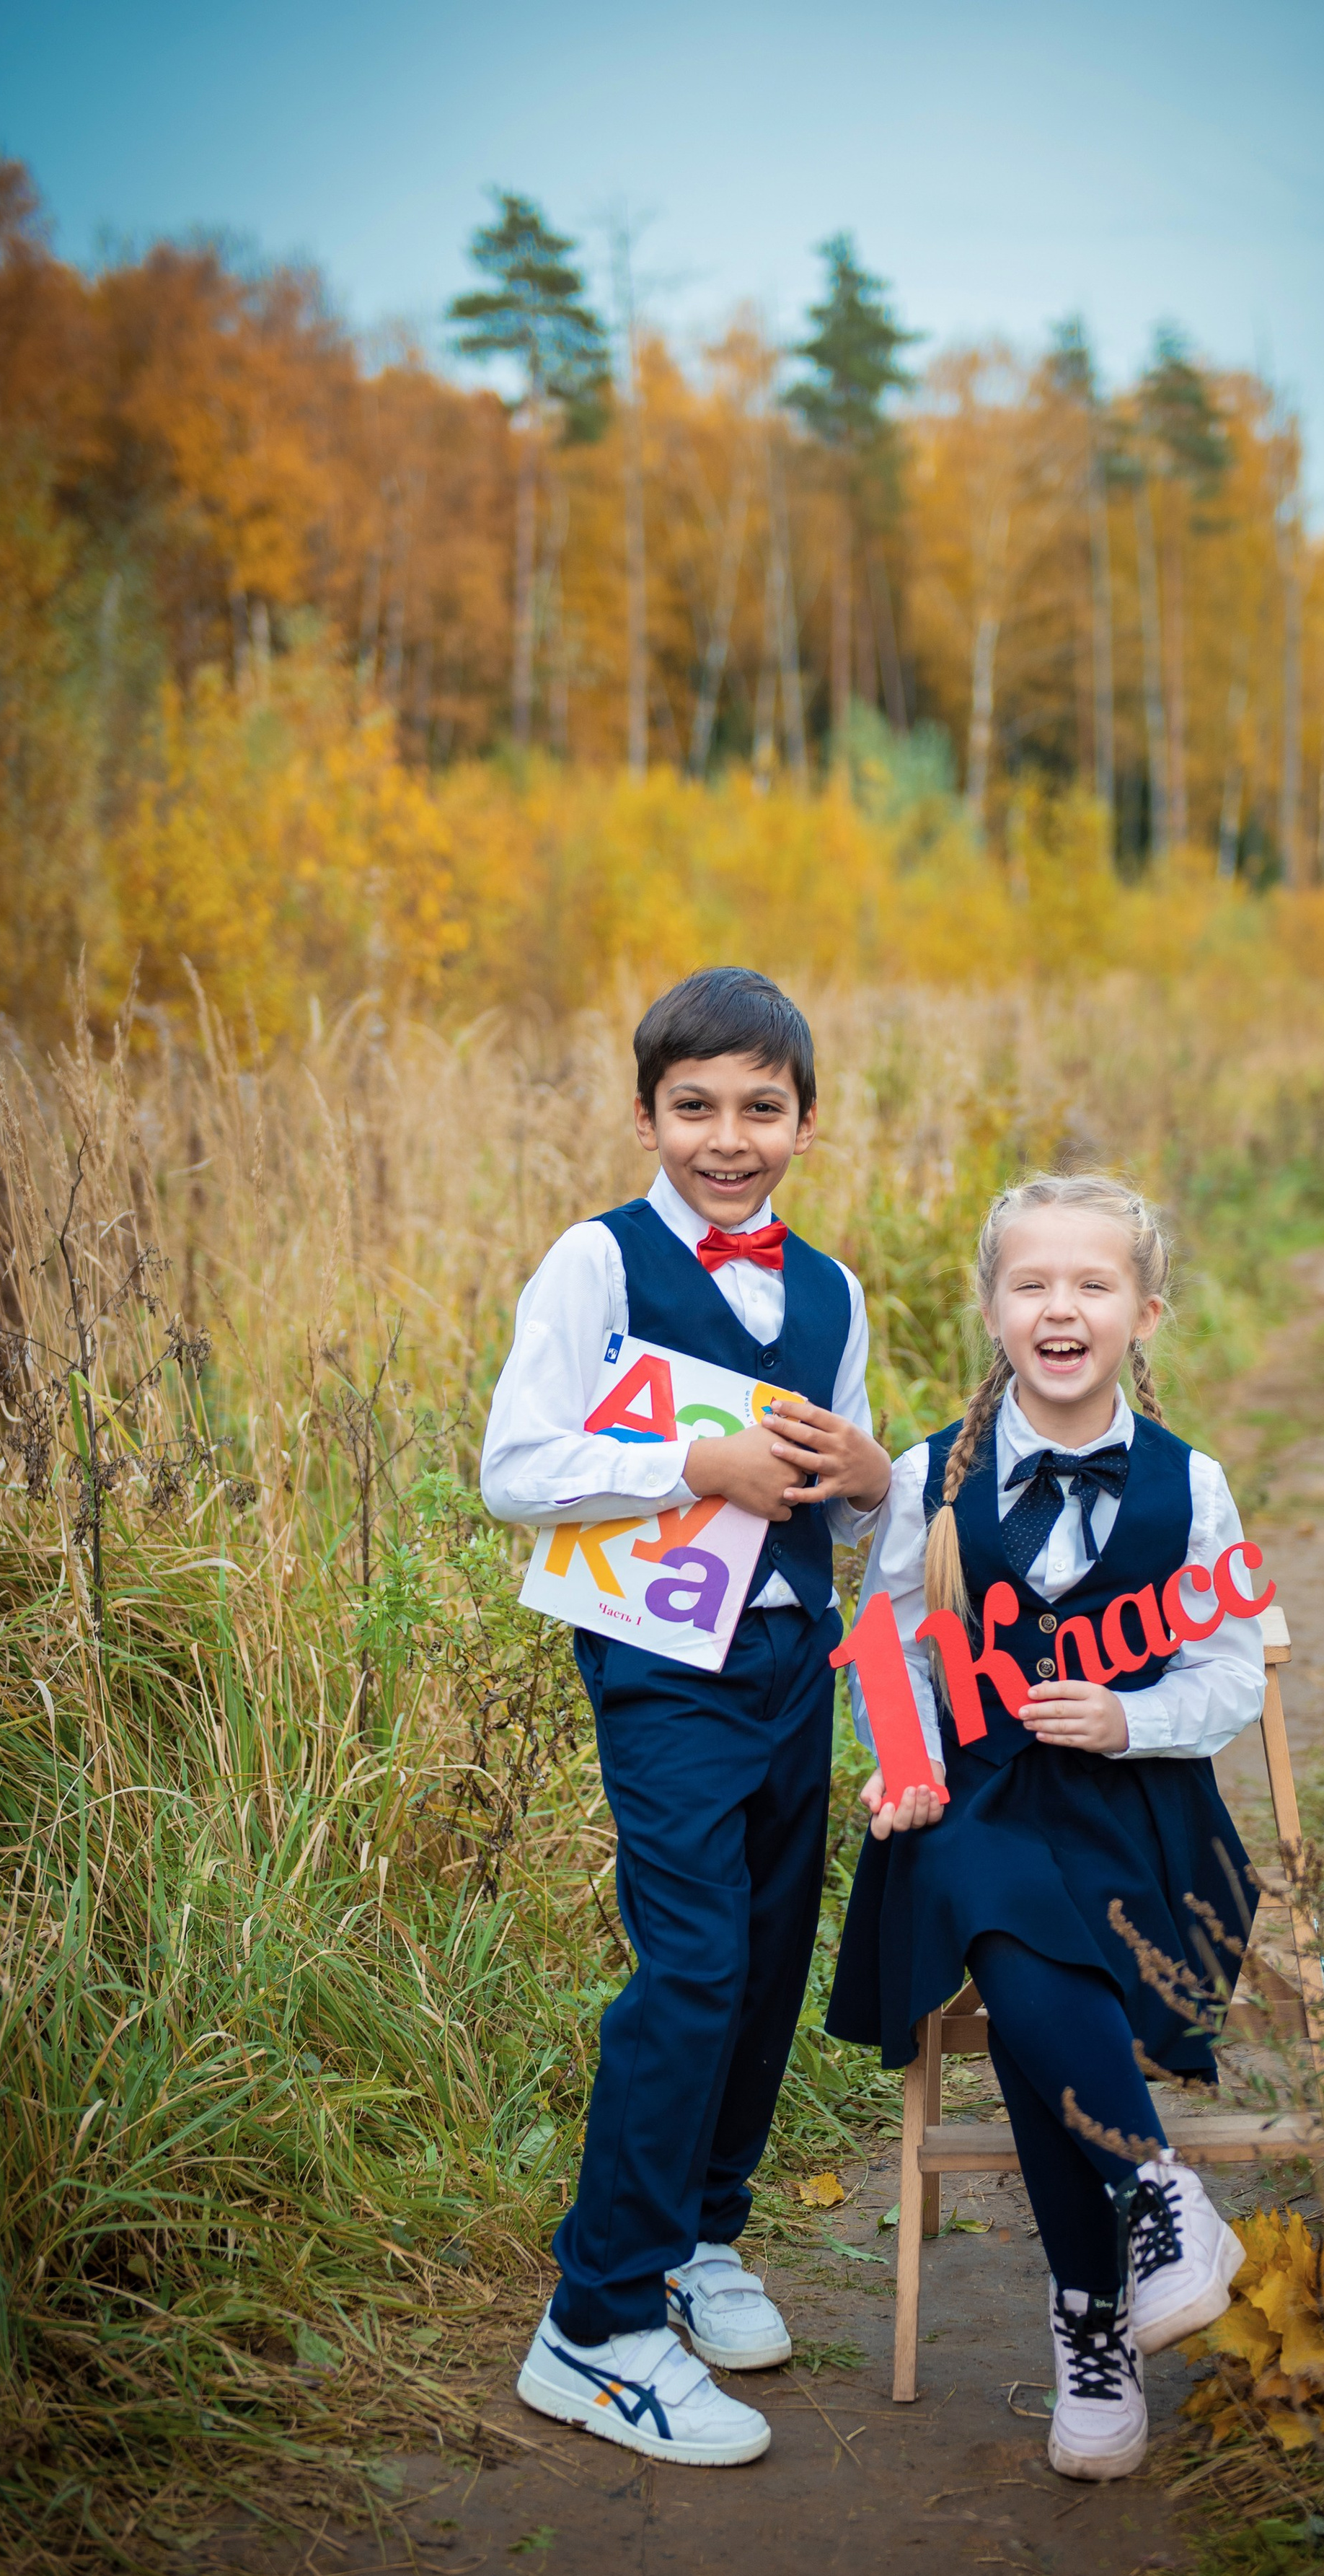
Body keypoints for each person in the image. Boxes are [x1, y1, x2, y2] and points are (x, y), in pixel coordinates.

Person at [482, 967, 891, 2467]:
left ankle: (698, 2233)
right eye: (695, 1107)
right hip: (663, 1669)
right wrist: (690, 1466)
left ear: (802, 1118)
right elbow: (514, 1466)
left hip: (794, 1660)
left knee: (772, 1952)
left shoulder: (832, 1289)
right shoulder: (596, 1263)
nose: (729, 1138)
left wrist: (870, 1475)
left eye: (760, 1109)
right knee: (696, 1964)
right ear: (646, 1112)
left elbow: (846, 1521)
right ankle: (594, 2323)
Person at [827, 1174, 1261, 2482]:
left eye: (1093, 1284)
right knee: (983, 1879)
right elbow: (891, 1653)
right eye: (1032, 1284)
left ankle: (1094, 2318)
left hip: (1141, 1813)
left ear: (1145, 1312)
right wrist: (903, 1765)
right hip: (979, 1798)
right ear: (991, 1309)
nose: (1060, 1307)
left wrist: (1135, 1723)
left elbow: (1232, 1671)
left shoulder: (1193, 1485)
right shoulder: (927, 1480)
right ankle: (1156, 2201)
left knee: (1025, 1966)